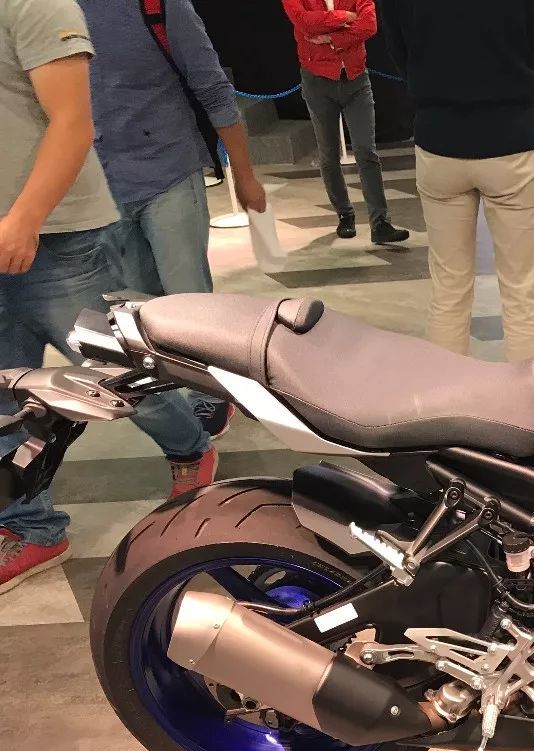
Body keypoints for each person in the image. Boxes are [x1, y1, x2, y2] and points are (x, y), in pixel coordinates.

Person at [0, 0, 218, 594]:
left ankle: (189, 447)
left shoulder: (36, 5)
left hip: (57, 235)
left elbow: (73, 122)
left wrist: (25, 218)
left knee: (112, 376)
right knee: (3, 393)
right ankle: (30, 525)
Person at [79, 0, 270, 440]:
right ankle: (171, 393)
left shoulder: (159, 5)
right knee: (137, 306)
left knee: (189, 300)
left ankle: (211, 392)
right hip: (98, 185)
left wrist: (244, 174)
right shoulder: (48, 11)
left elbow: (213, 87)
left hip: (168, 170)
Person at [378, 0, 534, 361]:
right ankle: (522, 396)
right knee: (522, 294)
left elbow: (397, 47)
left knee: (448, 291)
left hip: (439, 138)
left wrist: (432, 92)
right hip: (511, 137)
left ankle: (447, 392)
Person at [282, 0, 410, 245]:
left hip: (356, 78)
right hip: (317, 81)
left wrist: (332, 38)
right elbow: (305, 23)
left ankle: (380, 223)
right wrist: (345, 16)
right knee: (328, 154)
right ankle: (344, 214)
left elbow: (369, 24)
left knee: (366, 151)